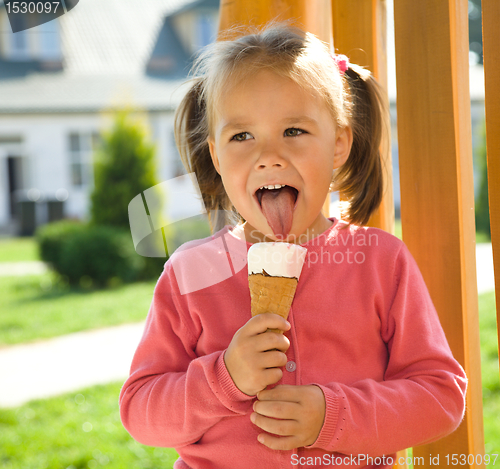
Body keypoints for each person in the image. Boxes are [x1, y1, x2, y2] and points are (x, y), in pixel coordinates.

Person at [119, 22, 467, 468]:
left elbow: (439, 396)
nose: (269, 155)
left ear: (338, 143)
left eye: (294, 131)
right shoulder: (191, 273)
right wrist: (223, 379)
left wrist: (333, 415)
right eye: (241, 136)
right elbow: (141, 412)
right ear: (216, 155)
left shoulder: (381, 262)